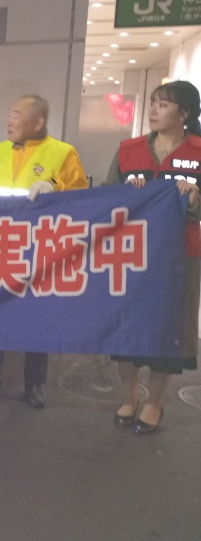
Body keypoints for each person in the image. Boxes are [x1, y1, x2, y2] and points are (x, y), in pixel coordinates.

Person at [0, 94, 88, 408]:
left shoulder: (62, 153)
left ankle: (34, 385)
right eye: (9, 114)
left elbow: (81, 194)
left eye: (17, 114)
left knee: (36, 318)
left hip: (39, 251)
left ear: (38, 121)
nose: (9, 120)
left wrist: (54, 186)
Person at [107, 80, 201, 434]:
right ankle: (129, 396)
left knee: (169, 327)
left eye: (163, 104)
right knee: (128, 325)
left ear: (184, 113)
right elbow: (107, 198)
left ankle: (154, 403)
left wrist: (194, 198)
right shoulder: (128, 151)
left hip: (181, 254)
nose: (153, 110)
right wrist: (127, 195)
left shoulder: (199, 153)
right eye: (152, 103)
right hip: (132, 253)